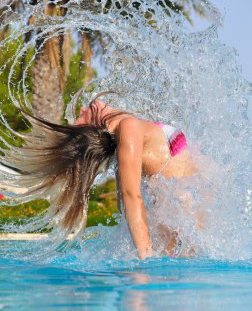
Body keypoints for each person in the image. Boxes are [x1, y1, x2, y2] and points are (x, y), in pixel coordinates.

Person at [0, 91, 198, 259]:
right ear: (92, 131)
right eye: (78, 121)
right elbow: (131, 198)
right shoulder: (128, 129)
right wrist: (144, 264)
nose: (81, 110)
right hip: (187, 207)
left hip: (188, 206)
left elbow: (125, 205)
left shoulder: (127, 129)